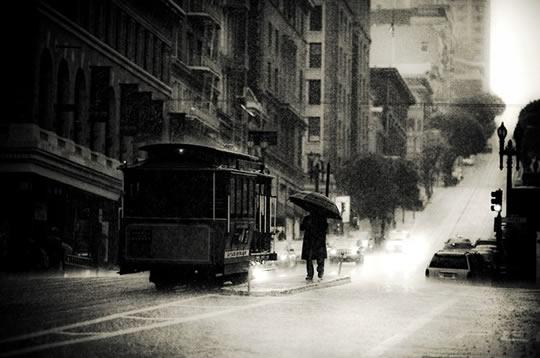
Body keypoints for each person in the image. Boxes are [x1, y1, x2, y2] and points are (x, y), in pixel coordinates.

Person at [300, 212, 328, 281]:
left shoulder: (308, 218)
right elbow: (326, 228)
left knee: (312, 258)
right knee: (317, 258)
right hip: (315, 241)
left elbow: (302, 227)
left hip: (313, 241)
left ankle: (312, 274)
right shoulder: (321, 218)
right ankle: (317, 272)